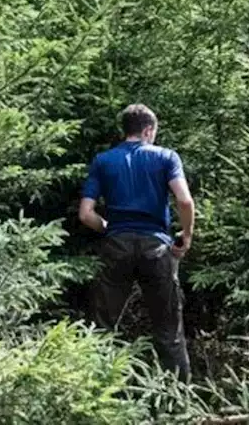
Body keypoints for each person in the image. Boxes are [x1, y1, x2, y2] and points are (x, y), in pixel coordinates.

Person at [78, 103, 195, 381]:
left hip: (116, 245)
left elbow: (85, 214)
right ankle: (179, 402)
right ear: (148, 130)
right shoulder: (167, 157)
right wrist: (186, 236)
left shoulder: (103, 161)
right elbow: (184, 200)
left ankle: (93, 396)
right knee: (169, 330)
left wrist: (107, 226)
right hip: (156, 247)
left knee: (103, 328)